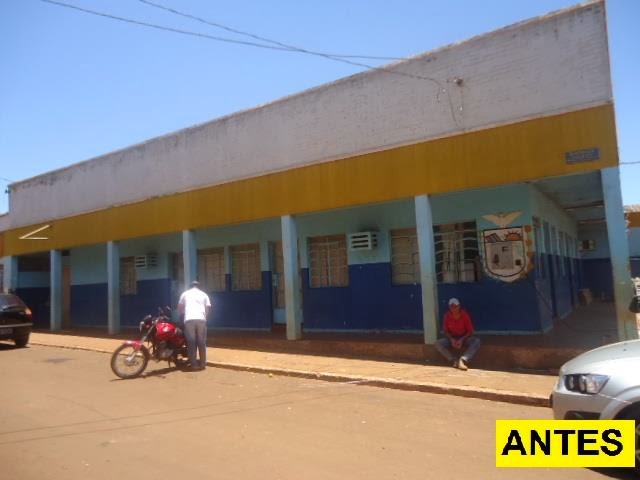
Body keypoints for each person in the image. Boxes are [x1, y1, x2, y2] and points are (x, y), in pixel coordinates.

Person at [434, 297, 481, 371]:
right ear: (449, 307)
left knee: (476, 341)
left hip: (464, 337)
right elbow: (445, 331)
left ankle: (463, 360)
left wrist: (462, 339)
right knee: (438, 343)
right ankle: (454, 360)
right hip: (452, 338)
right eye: (452, 307)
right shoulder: (447, 316)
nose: (454, 309)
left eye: (456, 306)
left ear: (459, 306)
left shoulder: (464, 315)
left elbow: (470, 331)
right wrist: (452, 339)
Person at [178, 280, 211, 371]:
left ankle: (194, 365)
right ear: (198, 286)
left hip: (189, 319)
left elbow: (180, 307)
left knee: (191, 342)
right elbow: (207, 308)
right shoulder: (204, 294)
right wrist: (205, 317)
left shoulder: (185, 294)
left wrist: (182, 315)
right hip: (201, 319)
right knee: (202, 342)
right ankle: (203, 364)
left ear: (190, 286)